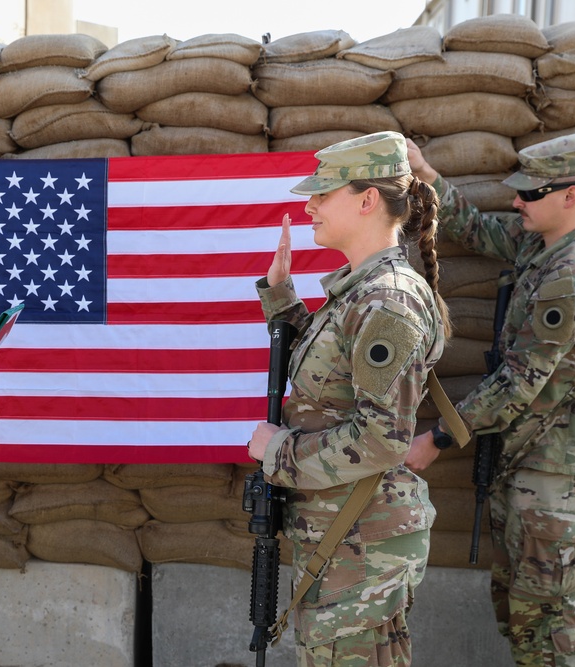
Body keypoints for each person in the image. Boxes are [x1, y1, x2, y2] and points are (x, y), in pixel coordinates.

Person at [406, 133, 575, 667]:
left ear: (571, 195)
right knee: (520, 612)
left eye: (530, 192)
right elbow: (476, 229)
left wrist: (436, 437)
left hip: (556, 470)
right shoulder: (541, 245)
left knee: (549, 621)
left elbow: (522, 379)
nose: (517, 201)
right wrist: (426, 176)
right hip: (525, 457)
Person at [247, 131, 450, 666]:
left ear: (367, 200)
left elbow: (383, 440)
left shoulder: (386, 301)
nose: (309, 204)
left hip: (362, 545)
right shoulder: (361, 291)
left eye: (323, 192)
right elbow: (328, 385)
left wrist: (278, 453)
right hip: (343, 537)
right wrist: (283, 300)